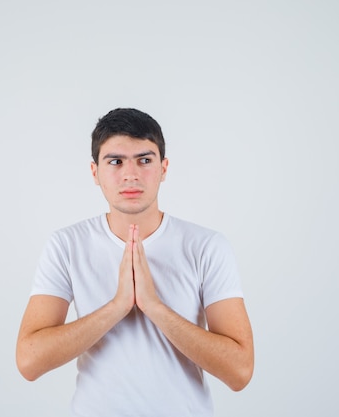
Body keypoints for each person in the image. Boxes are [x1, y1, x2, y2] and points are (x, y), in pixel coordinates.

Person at [16, 108, 254, 416]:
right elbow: (29, 361)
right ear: (94, 172)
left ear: (164, 168)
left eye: (144, 160)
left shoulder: (207, 246)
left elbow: (240, 371)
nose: (131, 174)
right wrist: (117, 306)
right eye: (115, 161)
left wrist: (154, 307)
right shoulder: (66, 245)